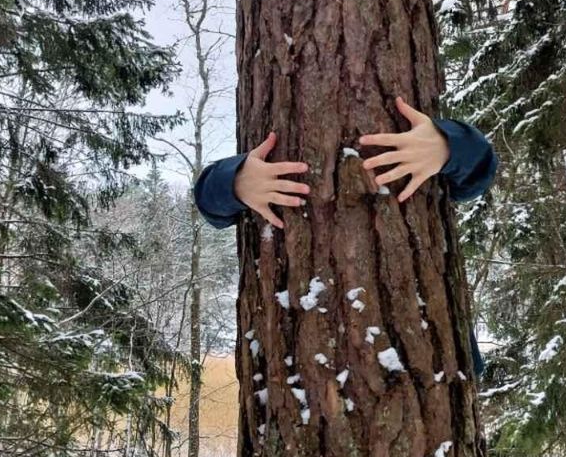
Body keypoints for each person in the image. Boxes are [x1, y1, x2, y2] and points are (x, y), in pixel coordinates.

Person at [192, 95, 498, 376]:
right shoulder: (262, 165)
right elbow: (208, 201)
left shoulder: (425, 151)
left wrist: (448, 144)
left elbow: (479, 171)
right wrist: (235, 181)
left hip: (433, 361)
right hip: (295, 360)